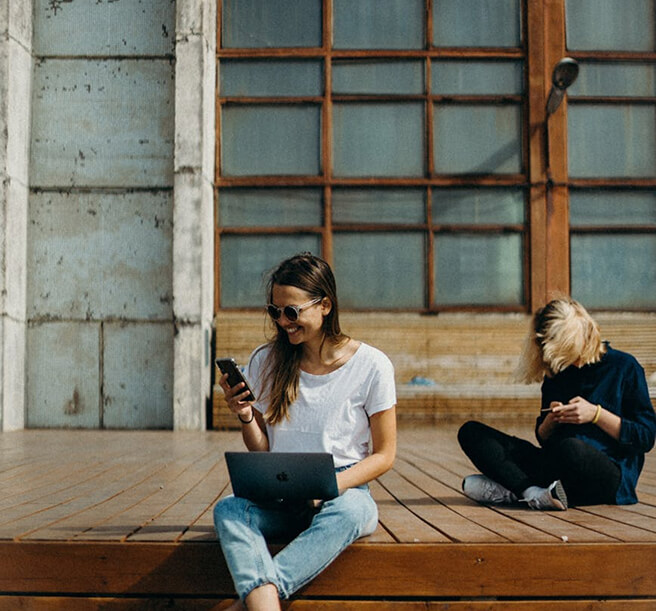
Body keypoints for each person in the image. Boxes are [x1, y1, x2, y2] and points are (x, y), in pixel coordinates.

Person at [214, 253, 397, 610]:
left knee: (351, 513)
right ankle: (264, 601)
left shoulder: (372, 366)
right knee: (230, 511)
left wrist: (327, 488)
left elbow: (385, 454)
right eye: (275, 312)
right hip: (283, 492)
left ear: (325, 305)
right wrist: (245, 415)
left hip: (343, 490)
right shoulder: (266, 360)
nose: (283, 322)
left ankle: (256, 602)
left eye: (292, 312)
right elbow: (263, 451)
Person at [458, 297, 656, 511]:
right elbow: (544, 439)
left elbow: (645, 437)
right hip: (557, 466)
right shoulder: (558, 371)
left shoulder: (624, 367)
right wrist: (550, 423)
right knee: (471, 432)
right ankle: (531, 493)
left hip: (607, 475)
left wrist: (596, 415)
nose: (570, 363)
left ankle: (513, 491)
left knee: (570, 449)